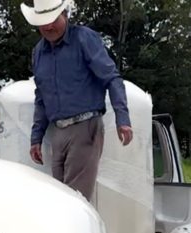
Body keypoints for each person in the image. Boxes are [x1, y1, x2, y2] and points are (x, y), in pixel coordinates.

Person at [24, 0, 133, 203]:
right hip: (58, 132)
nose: (49, 26)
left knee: (74, 200)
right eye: (43, 22)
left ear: (65, 14)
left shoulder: (84, 38)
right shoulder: (38, 52)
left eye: (53, 20)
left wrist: (123, 118)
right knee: (60, 198)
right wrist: (36, 137)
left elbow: (111, 78)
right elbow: (41, 97)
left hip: (85, 126)